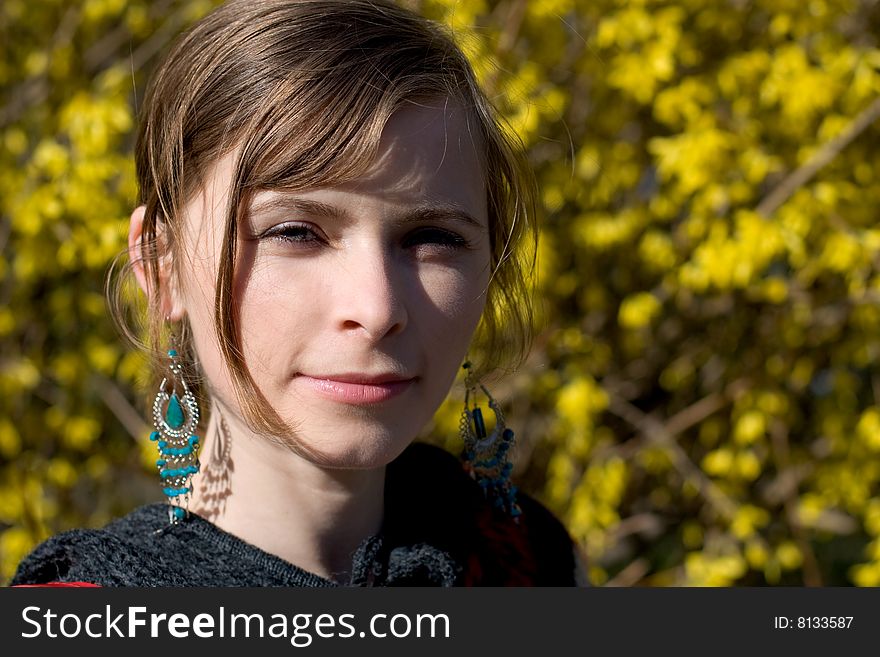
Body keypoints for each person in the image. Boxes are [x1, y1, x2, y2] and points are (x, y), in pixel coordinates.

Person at [12, 0, 585, 587]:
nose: (377, 308)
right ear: (163, 267)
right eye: (295, 232)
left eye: (431, 237)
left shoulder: (530, 560)